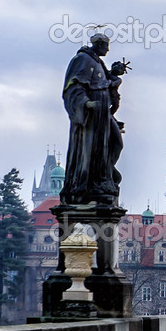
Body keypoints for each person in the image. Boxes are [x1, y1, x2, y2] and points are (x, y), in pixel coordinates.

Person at [60, 33, 128, 206]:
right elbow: (73, 87)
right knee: (91, 149)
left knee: (115, 143)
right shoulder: (82, 59)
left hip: (103, 114)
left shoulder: (97, 62)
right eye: (106, 46)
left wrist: (114, 74)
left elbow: (105, 82)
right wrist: (86, 103)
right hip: (90, 116)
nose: (108, 49)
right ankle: (89, 183)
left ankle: (104, 178)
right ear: (98, 44)